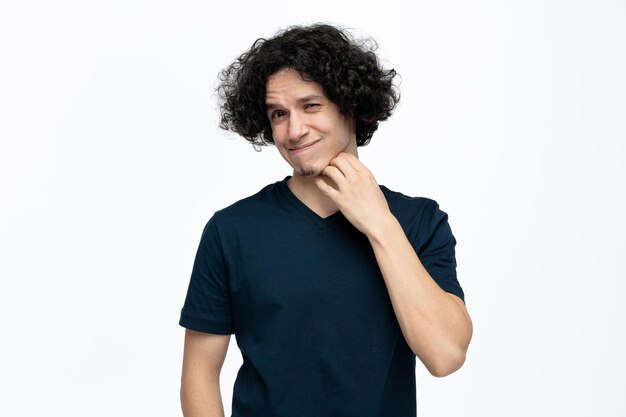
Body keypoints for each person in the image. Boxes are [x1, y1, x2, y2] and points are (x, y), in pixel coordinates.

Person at [179, 24, 473, 417]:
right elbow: (199, 374)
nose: (294, 130)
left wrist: (379, 224)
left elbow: (445, 355)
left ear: (349, 106)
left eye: (311, 105)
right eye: (279, 114)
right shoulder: (232, 231)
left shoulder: (419, 221)